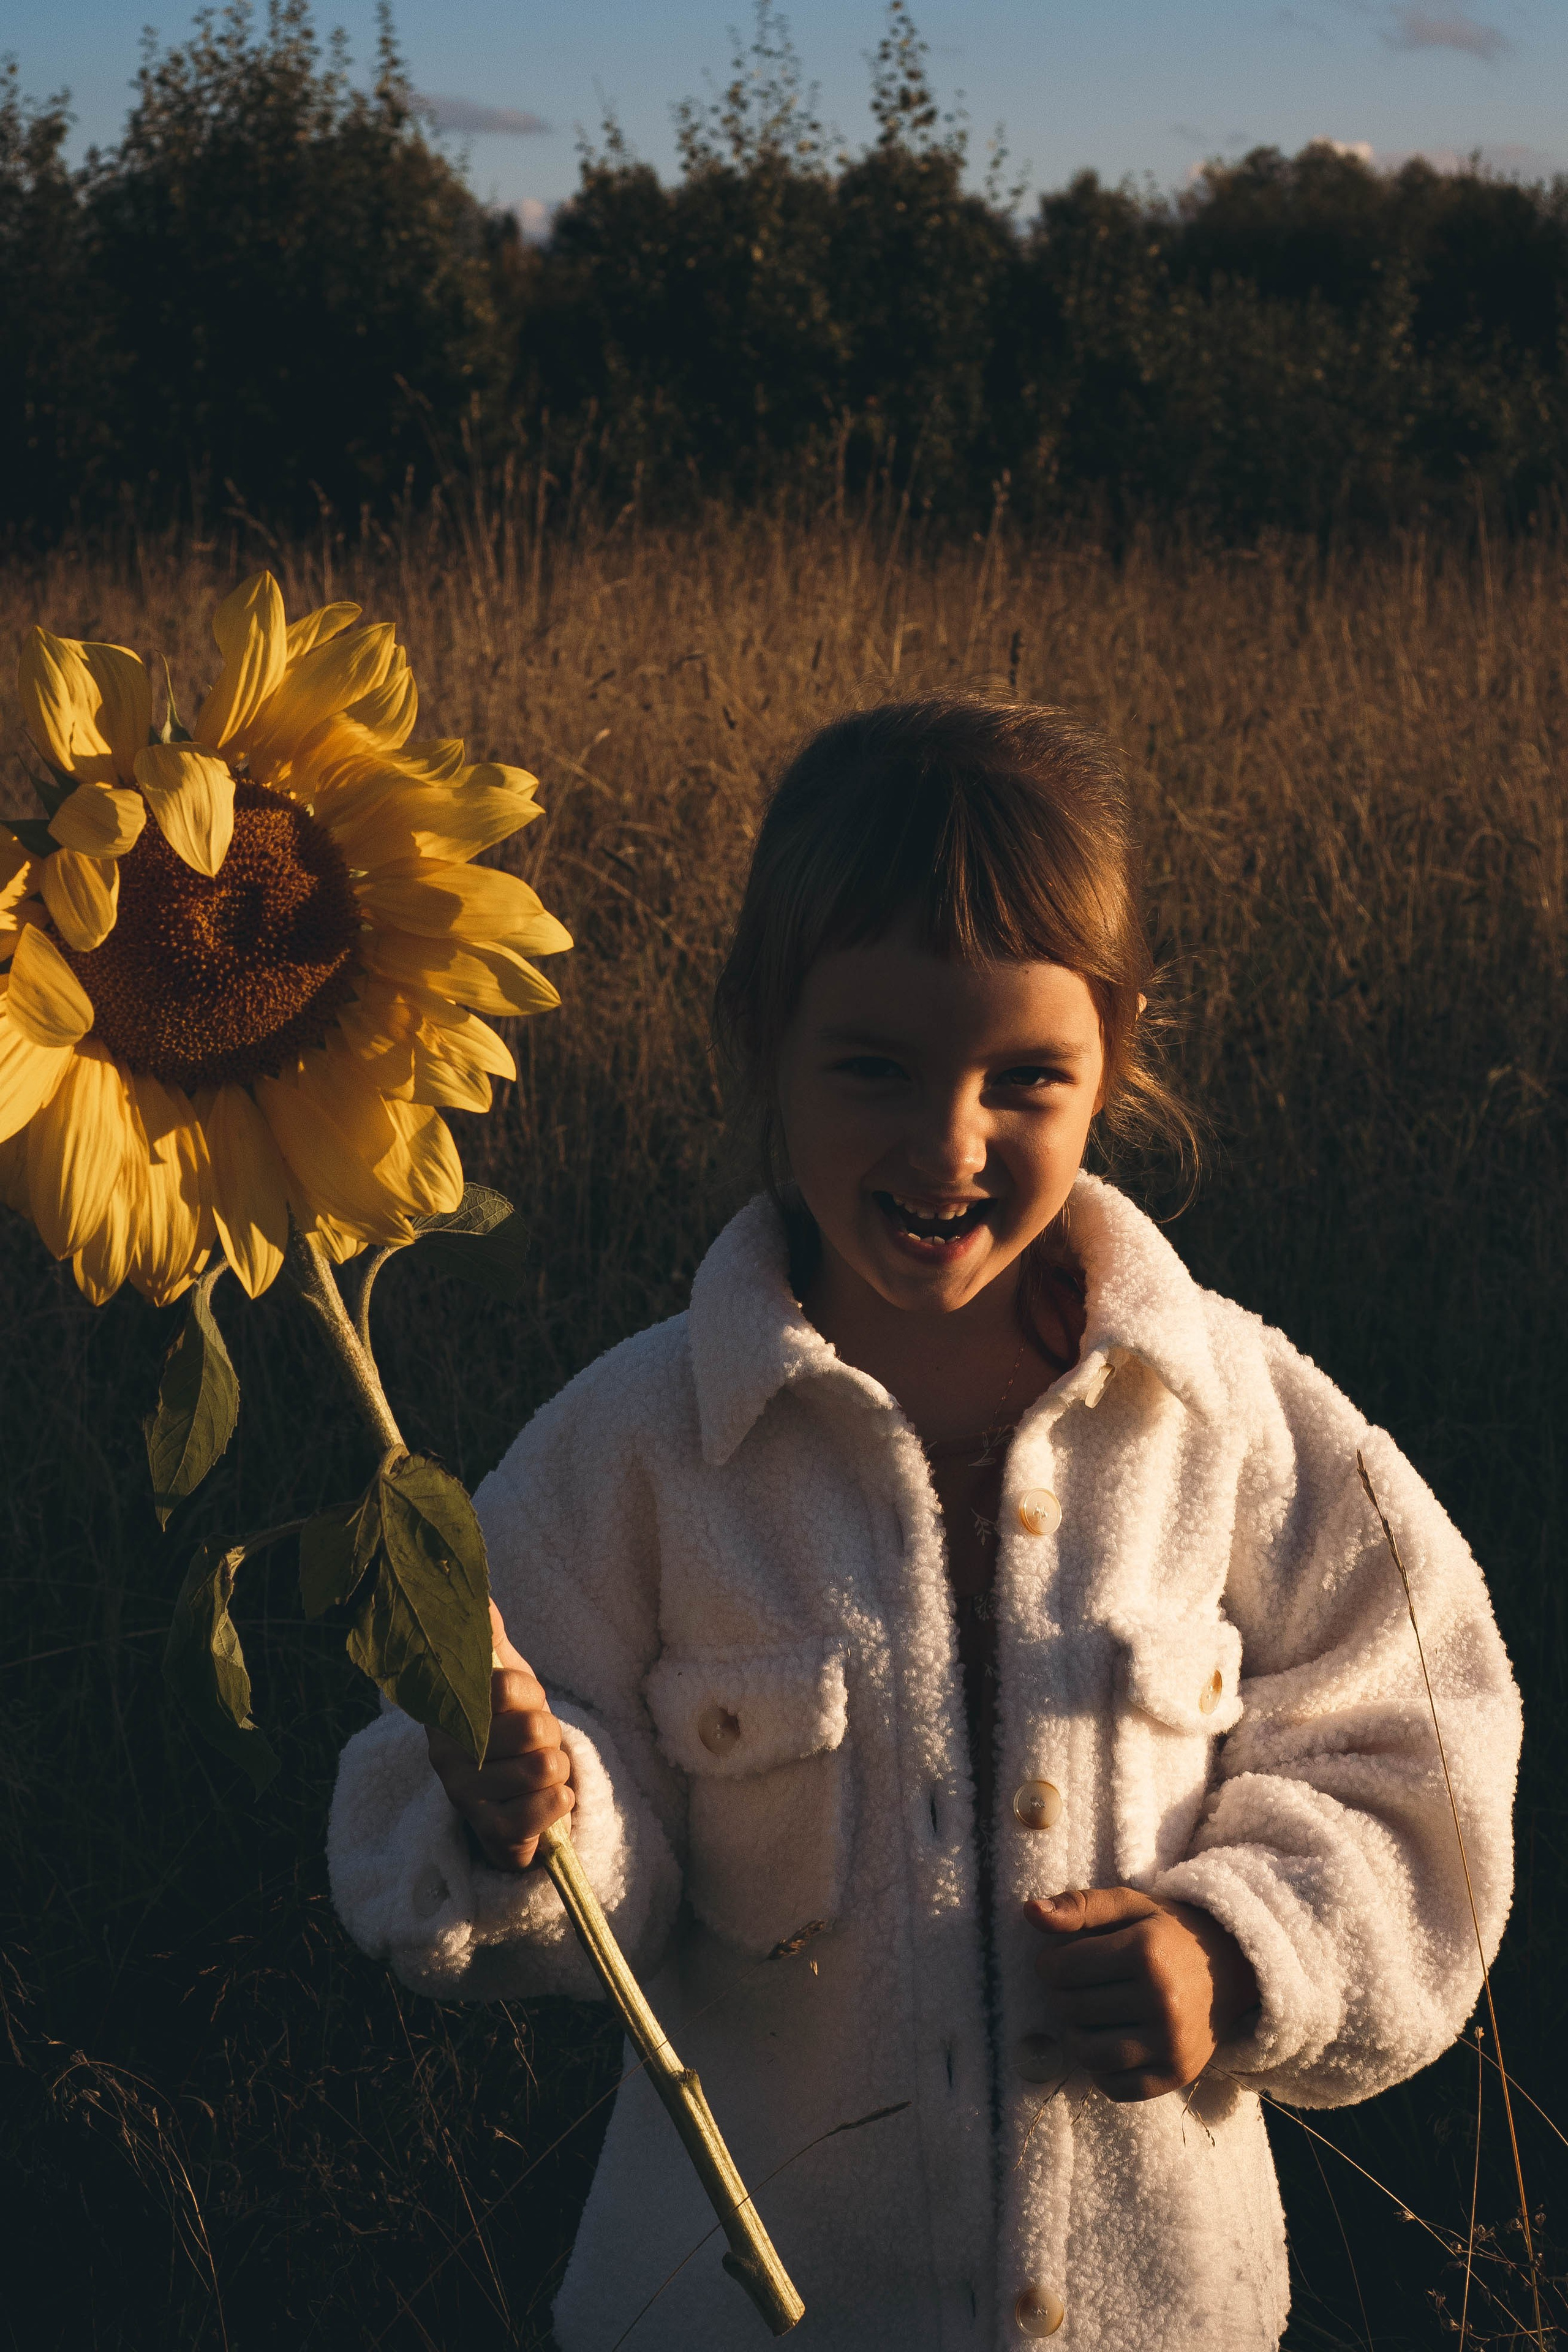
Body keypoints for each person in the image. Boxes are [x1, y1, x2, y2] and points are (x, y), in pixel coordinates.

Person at [327, 695, 1521, 2350]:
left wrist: (1231, 1952)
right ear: (760, 1038)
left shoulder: (1240, 1423)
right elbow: (448, 1799)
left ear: (1119, 1051)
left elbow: (1422, 1765)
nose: (948, 1142)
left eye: (1024, 1078)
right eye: (875, 1066)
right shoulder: (636, 1450)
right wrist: (523, 1817)